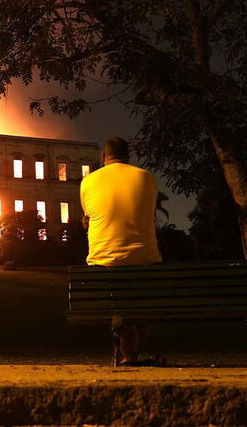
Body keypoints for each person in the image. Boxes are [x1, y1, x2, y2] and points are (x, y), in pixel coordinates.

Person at [80, 136, 162, 366]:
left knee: (122, 307)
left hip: (103, 262)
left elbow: (90, 215)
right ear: (128, 156)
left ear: (103, 157)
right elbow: (147, 212)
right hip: (144, 259)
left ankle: (130, 355)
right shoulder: (145, 177)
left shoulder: (88, 182)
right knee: (145, 308)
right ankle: (131, 355)